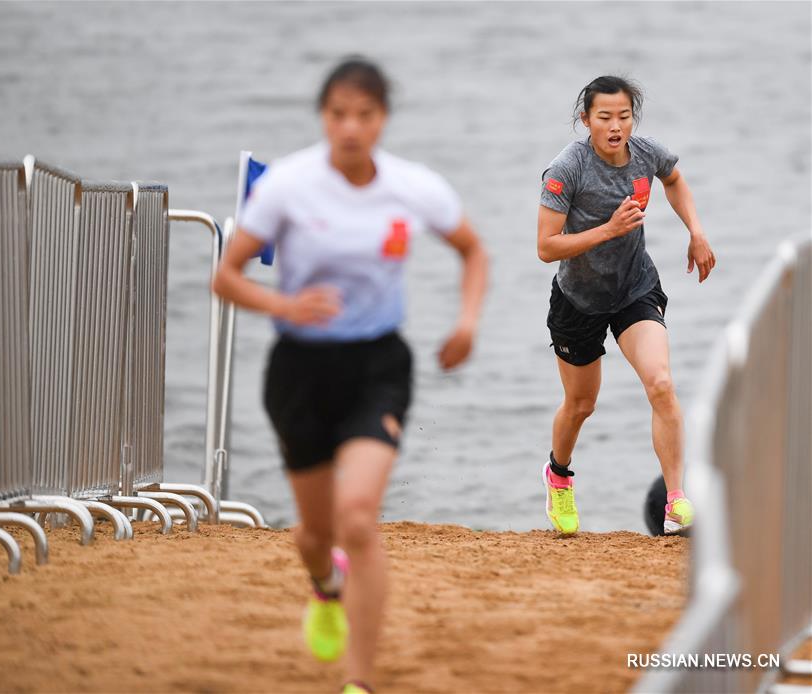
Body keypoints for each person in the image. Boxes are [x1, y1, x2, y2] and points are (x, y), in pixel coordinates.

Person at [213, 57, 488, 693]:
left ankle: (358, 683)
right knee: (314, 534)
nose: (351, 127)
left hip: (377, 364)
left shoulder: (412, 186)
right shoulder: (287, 184)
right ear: (323, 118)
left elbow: (473, 249)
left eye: (365, 115)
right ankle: (323, 584)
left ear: (382, 119)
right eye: (339, 114)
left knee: (358, 518)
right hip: (300, 369)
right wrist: (282, 304)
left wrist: (467, 320)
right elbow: (226, 276)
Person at [537, 75, 715, 536]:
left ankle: (675, 500)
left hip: (634, 287)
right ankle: (558, 474)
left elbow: (674, 180)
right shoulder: (566, 170)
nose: (616, 126)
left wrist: (695, 231)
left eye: (624, 116)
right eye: (605, 118)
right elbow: (546, 247)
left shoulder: (646, 152)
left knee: (660, 383)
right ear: (586, 121)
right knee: (580, 404)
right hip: (578, 299)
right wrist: (610, 229)